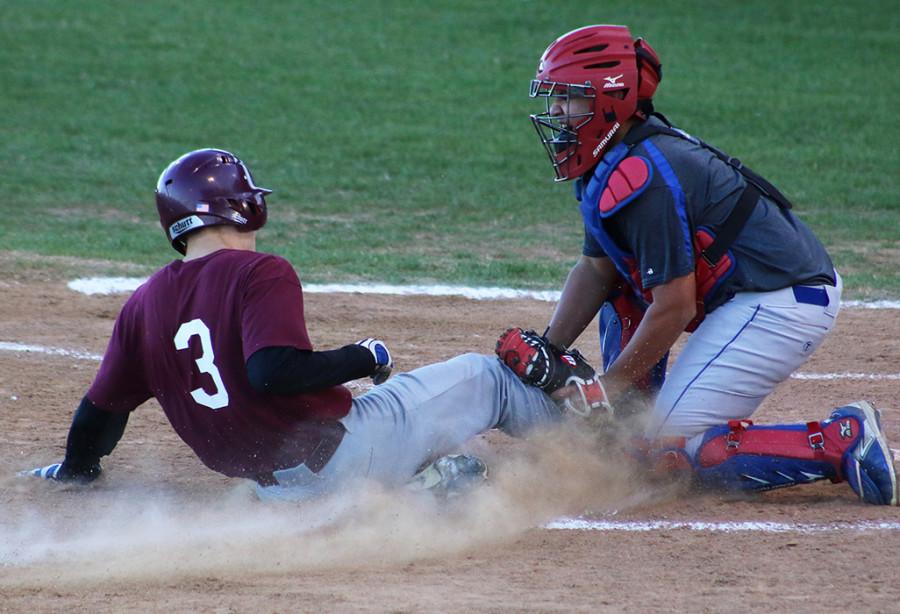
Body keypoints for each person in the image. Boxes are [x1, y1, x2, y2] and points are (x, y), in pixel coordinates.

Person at [496, 25, 896, 505]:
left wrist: (606, 387)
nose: (557, 111)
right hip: (746, 294)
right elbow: (598, 270)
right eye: (556, 97)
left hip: (780, 300)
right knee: (622, 287)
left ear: (610, 101)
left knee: (672, 459)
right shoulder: (613, 160)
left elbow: (676, 305)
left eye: (570, 97)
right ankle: (629, 424)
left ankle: (841, 441)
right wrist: (549, 347)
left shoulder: (643, 178)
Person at [27, 148, 561, 500]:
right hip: (343, 456)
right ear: (242, 208)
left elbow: (99, 412)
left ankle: (416, 489)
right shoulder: (261, 271)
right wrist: (366, 356)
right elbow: (273, 371)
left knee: (435, 439)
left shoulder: (140, 306)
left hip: (272, 490)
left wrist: (78, 468)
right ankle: (612, 446)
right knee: (484, 378)